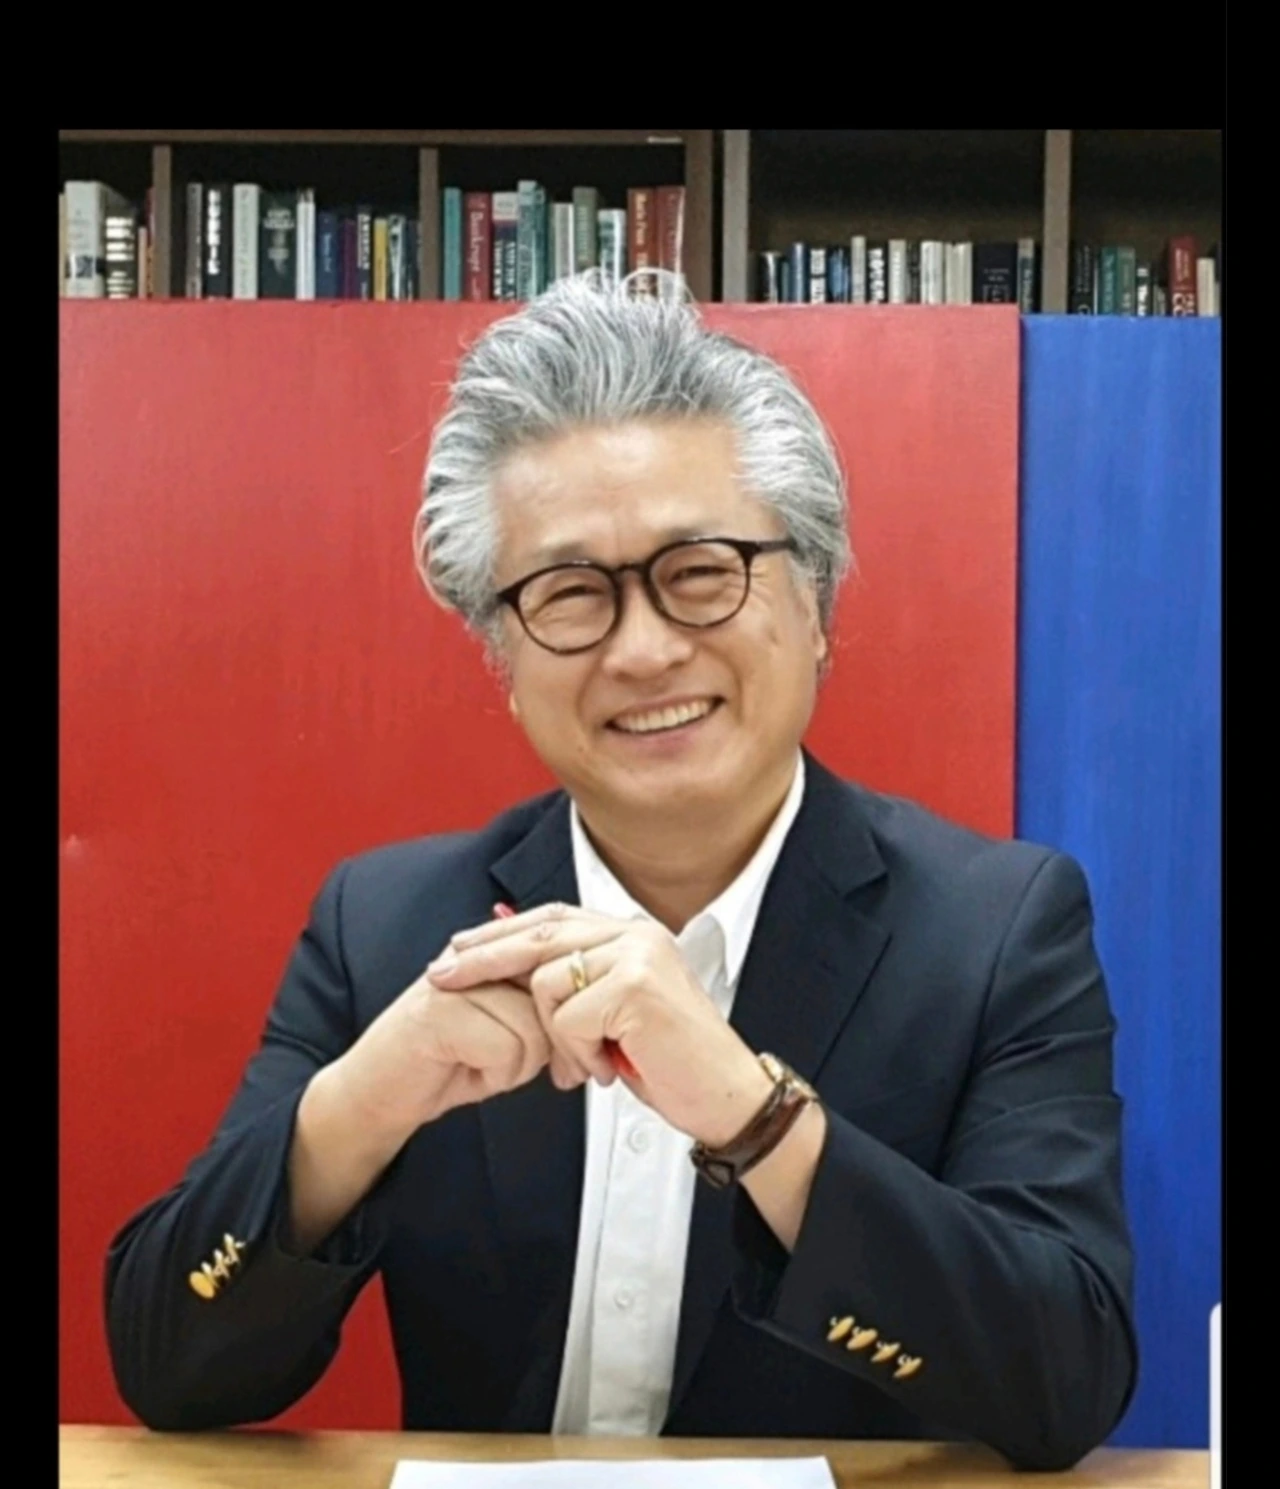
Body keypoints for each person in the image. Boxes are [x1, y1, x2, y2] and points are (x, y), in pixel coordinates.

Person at [105, 273, 1136, 1472]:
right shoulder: (389, 926)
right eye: (568, 594)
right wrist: (360, 1109)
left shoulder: (994, 929)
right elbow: (168, 1363)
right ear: (502, 656)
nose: (643, 650)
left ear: (815, 603)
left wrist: (757, 1124)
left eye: (700, 571)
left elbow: (1064, 1379)